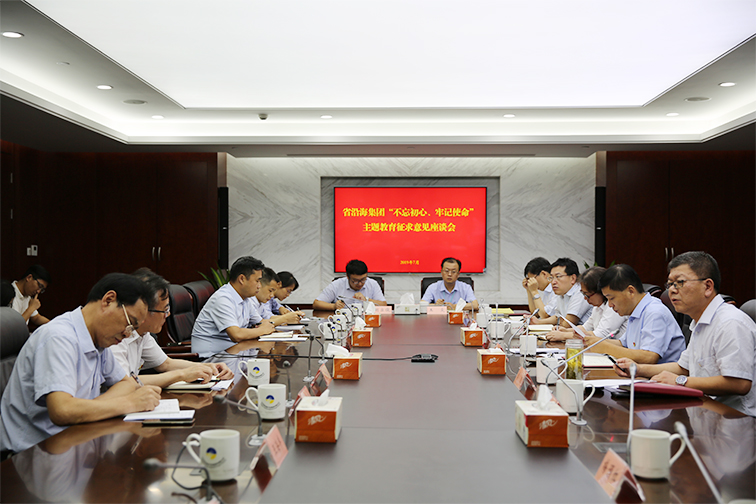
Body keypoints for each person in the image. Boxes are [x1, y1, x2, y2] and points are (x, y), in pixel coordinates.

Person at [0, 273, 162, 453]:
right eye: (129, 323)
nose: (127, 333)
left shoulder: (98, 340)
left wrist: (88, 409)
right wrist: (130, 403)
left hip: (74, 438)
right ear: (108, 300)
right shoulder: (59, 338)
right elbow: (62, 411)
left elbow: (126, 383)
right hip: (33, 453)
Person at [613, 252, 755, 416]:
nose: (672, 290)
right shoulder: (699, 322)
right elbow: (683, 367)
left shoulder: (730, 323)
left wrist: (679, 381)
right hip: (703, 410)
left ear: (708, 287)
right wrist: (638, 369)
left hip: (735, 419)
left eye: (679, 283)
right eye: (670, 284)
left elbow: (739, 384)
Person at [110, 268, 233, 388]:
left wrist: (209, 367)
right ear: (143, 310)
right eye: (165, 310)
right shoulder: (115, 337)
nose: (168, 314)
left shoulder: (142, 333)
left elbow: (166, 364)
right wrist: (181, 375)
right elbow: (125, 383)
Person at [584, 264, 685, 364]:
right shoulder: (635, 311)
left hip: (661, 373)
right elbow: (623, 344)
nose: (610, 305)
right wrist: (594, 342)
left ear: (631, 291)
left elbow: (649, 357)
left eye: (612, 298)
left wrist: (606, 348)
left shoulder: (654, 312)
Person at [191, 256, 275, 359]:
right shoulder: (223, 298)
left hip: (233, 353)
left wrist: (265, 327)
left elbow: (261, 322)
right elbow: (236, 335)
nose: (259, 286)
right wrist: (262, 330)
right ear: (242, 279)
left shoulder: (246, 299)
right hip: (211, 358)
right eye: (257, 281)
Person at [545, 266, 627, 341]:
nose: (585, 298)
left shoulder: (614, 307)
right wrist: (565, 331)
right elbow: (586, 328)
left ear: (601, 291)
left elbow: (600, 335)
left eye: (587, 295)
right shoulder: (597, 307)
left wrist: (564, 336)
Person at [531, 258, 591, 327]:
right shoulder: (562, 293)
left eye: (558, 276)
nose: (553, 282)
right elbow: (558, 317)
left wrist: (560, 323)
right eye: (551, 277)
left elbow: (567, 324)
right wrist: (538, 322)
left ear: (573, 278)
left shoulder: (580, 292)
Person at [313, 259, 387, 311]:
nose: (360, 283)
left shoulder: (372, 284)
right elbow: (316, 304)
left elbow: (384, 305)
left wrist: (366, 300)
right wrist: (334, 306)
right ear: (347, 277)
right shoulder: (337, 285)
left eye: (363, 279)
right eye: (355, 281)